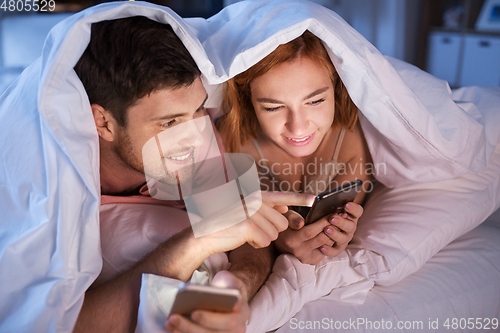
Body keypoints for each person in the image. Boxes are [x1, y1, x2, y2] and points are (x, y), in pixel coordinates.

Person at [65, 16, 314, 332]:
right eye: (168, 123)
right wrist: (197, 241)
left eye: (198, 109)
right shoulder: (54, 184)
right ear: (103, 122)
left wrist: (236, 284)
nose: (196, 136)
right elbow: (54, 323)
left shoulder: (193, 137)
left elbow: (243, 230)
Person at [217, 31, 372, 265]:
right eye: (273, 107)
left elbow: (329, 233)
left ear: (336, 87)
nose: (298, 129)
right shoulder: (231, 141)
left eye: (315, 101)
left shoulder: (355, 139)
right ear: (248, 100)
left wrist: (336, 234)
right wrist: (281, 239)